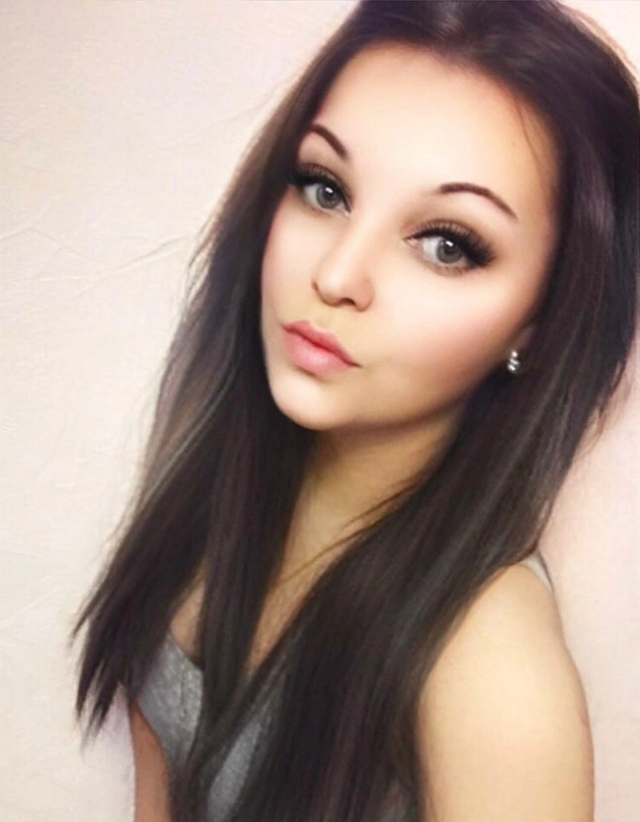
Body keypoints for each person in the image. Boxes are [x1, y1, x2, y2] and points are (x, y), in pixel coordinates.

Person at [70, 1, 639, 820]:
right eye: (326, 189)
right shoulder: (215, 487)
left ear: (538, 324)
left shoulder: (488, 669)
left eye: (447, 244)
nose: (337, 275)